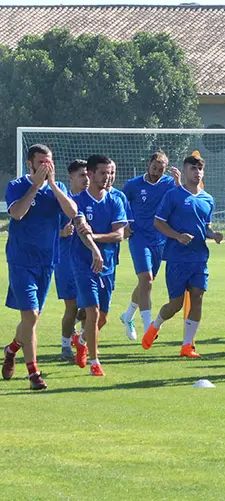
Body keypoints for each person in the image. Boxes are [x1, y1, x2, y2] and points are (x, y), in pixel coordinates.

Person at [2, 145, 87, 390]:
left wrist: (51, 185)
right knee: (31, 315)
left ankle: (12, 349)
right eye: (41, 163)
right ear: (30, 164)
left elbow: (72, 212)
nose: (46, 167)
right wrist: (36, 187)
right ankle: (33, 374)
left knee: (31, 320)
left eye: (49, 162)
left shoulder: (56, 188)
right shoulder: (18, 185)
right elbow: (17, 214)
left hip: (47, 262)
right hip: (21, 261)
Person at [141, 155, 223, 357]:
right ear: (184, 172)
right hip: (177, 259)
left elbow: (206, 227)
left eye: (200, 169)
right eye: (193, 169)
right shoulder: (173, 196)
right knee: (176, 305)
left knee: (198, 297)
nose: (197, 173)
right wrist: (177, 236)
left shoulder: (208, 199)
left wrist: (214, 234)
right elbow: (159, 222)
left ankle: (187, 346)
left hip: (199, 259)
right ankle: (156, 325)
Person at [70, 155, 129, 377]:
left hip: (108, 265)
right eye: (103, 173)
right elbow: (82, 232)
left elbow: (119, 234)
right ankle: (95, 362)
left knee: (103, 317)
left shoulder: (115, 200)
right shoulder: (79, 201)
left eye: (111, 172)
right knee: (92, 313)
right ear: (91, 174)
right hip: (83, 263)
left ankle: (82, 340)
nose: (108, 177)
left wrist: (96, 237)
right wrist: (93, 243)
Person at [120, 151, 181, 341]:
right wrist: (125, 224)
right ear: (148, 164)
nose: (157, 173)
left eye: (161, 170)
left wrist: (179, 183)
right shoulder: (133, 185)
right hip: (139, 237)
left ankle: (127, 316)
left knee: (147, 283)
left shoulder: (169, 184)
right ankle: (148, 328)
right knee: (146, 280)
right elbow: (119, 204)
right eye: (154, 168)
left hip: (160, 239)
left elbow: (182, 199)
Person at [55, 160, 90, 361]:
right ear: (71, 178)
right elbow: (46, 230)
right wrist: (61, 232)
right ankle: (66, 347)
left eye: (87, 175)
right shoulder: (62, 201)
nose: (86, 179)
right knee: (72, 306)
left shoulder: (90, 199)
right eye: (81, 175)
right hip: (66, 260)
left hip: (87, 260)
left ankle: (84, 343)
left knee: (89, 306)